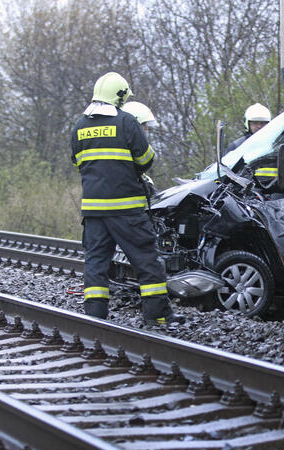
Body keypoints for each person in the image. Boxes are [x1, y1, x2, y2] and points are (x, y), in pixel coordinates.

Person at [70, 72, 181, 326]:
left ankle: (95, 318)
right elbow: (146, 160)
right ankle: (158, 316)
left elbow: (78, 163)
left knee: (96, 264)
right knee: (146, 261)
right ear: (119, 97)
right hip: (127, 211)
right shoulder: (127, 122)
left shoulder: (79, 127)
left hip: (94, 214)